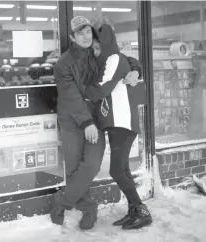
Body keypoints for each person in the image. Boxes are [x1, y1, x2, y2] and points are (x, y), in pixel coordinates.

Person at [50, 15, 143, 230]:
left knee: (91, 166)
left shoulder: (97, 52)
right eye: (79, 33)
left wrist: (136, 69)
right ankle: (89, 208)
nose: (85, 36)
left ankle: (61, 201)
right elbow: (72, 97)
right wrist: (86, 123)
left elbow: (123, 59)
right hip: (73, 121)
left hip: (96, 120)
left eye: (88, 31)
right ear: (73, 38)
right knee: (75, 169)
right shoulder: (63, 64)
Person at [83, 20, 153, 230]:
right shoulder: (107, 60)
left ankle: (141, 210)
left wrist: (81, 93)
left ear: (105, 44)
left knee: (116, 170)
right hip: (116, 123)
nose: (95, 52)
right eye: (93, 48)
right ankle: (134, 210)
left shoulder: (113, 59)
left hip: (122, 123)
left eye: (97, 47)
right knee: (122, 169)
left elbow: (102, 89)